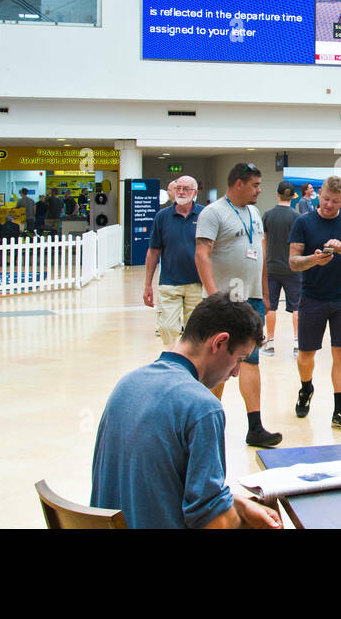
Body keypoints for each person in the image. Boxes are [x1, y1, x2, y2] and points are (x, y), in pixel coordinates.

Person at [89, 291, 282, 529]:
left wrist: (236, 504)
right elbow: (212, 522)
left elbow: (161, 488)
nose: (235, 372)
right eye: (240, 359)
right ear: (220, 342)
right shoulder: (202, 408)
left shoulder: (127, 385)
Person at [195, 163, 280, 448]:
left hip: (252, 298)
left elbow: (261, 256)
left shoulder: (254, 213)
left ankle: (255, 427)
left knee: (251, 361)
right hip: (226, 299)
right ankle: (207, 426)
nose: (259, 190)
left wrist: (266, 295)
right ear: (239, 183)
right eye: (255, 185)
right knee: (218, 363)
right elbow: (202, 256)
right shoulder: (213, 213)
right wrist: (213, 297)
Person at [288, 176, 341, 433]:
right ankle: (306, 386)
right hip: (312, 297)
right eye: (325, 200)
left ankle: (340, 410)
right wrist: (313, 260)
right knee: (306, 354)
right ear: (319, 194)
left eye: (335, 202)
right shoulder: (303, 222)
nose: (329, 205)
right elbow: (293, 261)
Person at [144, 176, 205, 353]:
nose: (181, 192)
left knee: (196, 330)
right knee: (168, 328)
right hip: (170, 283)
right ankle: (171, 358)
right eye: (178, 188)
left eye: (186, 188)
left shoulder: (205, 215)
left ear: (195, 192)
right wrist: (147, 284)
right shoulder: (162, 217)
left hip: (197, 284)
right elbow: (153, 251)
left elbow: (214, 249)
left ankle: (190, 361)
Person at [261, 180, 301, 355]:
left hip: (271, 267)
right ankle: (298, 343)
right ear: (293, 196)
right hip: (293, 267)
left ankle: (270, 342)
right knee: (297, 306)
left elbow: (263, 240)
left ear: (277, 194)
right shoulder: (297, 217)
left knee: (271, 306)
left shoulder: (268, 215)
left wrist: (264, 262)